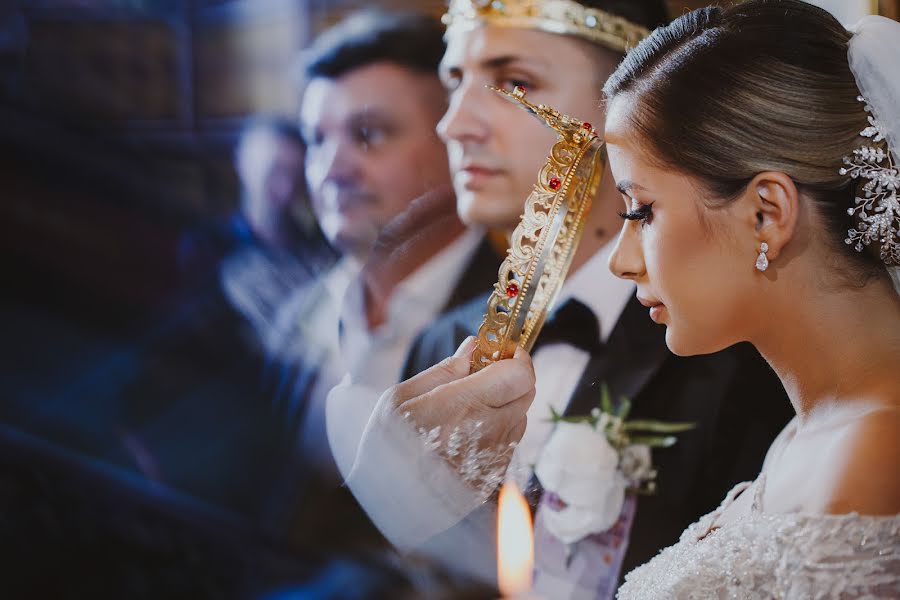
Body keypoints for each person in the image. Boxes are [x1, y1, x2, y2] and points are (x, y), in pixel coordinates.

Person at [336, 0, 794, 594]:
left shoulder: (733, 349)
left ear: (635, 97)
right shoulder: (442, 343)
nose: (455, 124)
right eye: (455, 82)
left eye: (514, 82)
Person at [602, 2, 899, 596]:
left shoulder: (869, 452)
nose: (621, 260)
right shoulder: (811, 432)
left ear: (767, 213)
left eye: (642, 211)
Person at [267, 9, 501, 546]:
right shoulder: (295, 312)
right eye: (316, 140)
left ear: (457, 139)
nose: (330, 171)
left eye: (369, 135)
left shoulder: (513, 317)